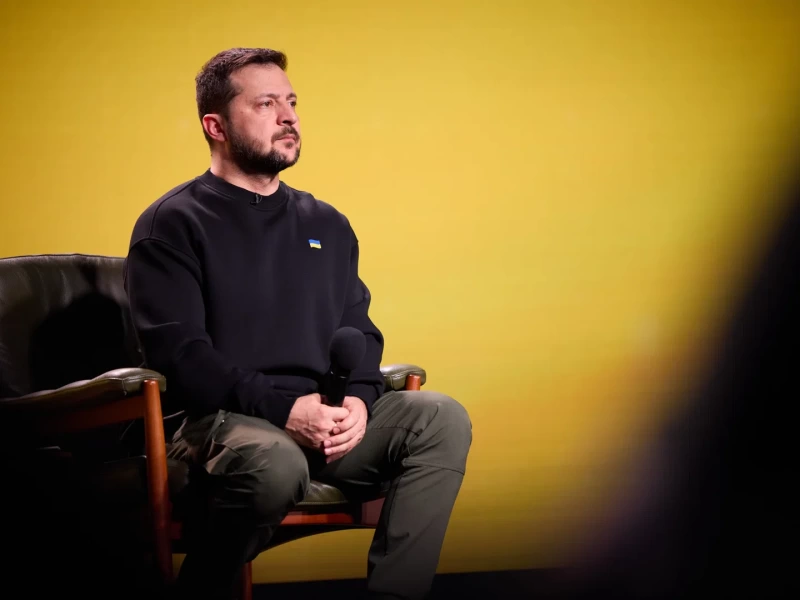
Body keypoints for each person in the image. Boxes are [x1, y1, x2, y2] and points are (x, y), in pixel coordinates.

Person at [123, 47, 472, 600]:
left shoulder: (327, 223)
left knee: (438, 417)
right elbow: (182, 356)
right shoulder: (173, 223)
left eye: (291, 102)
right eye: (266, 104)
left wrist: (358, 402)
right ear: (215, 126)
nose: (289, 117)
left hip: (324, 421)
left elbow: (361, 331)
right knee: (277, 462)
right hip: (223, 424)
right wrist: (285, 411)